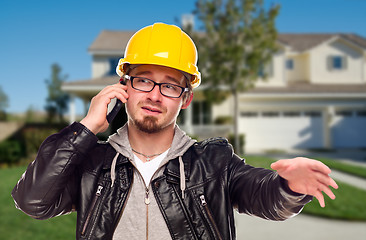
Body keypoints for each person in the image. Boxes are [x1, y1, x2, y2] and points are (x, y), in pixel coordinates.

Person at [12, 22, 338, 240]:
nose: (155, 94)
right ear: (124, 85)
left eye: (169, 85)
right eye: (144, 80)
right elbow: (32, 201)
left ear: (185, 99)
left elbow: (264, 197)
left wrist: (289, 187)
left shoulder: (213, 162)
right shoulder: (93, 164)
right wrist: (87, 128)